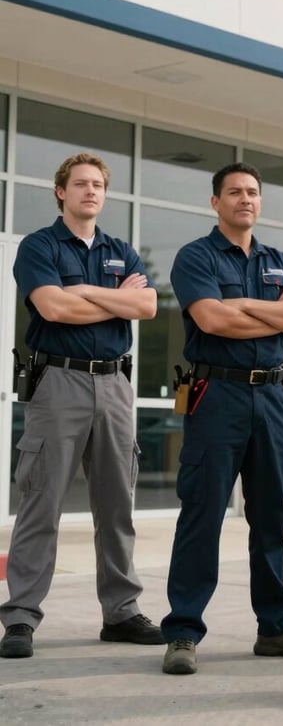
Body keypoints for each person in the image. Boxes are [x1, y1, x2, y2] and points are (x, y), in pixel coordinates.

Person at [0, 152, 162, 659]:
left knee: (117, 506)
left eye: (98, 185)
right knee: (41, 503)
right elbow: (52, 306)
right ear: (60, 192)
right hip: (58, 384)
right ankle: (22, 616)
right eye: (81, 184)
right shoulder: (38, 246)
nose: (91, 191)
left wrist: (84, 291)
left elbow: (148, 305)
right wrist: (111, 297)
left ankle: (121, 612)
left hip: (115, 386)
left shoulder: (121, 250)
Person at [160, 162, 283, 676]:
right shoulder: (194, 257)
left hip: (272, 398)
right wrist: (271, 310)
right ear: (215, 202)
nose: (244, 199)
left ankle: (275, 625)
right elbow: (210, 318)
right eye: (233, 192)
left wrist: (241, 306)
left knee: (271, 514)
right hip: (216, 394)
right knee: (202, 512)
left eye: (252, 192)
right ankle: (183, 629)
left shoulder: (279, 260)